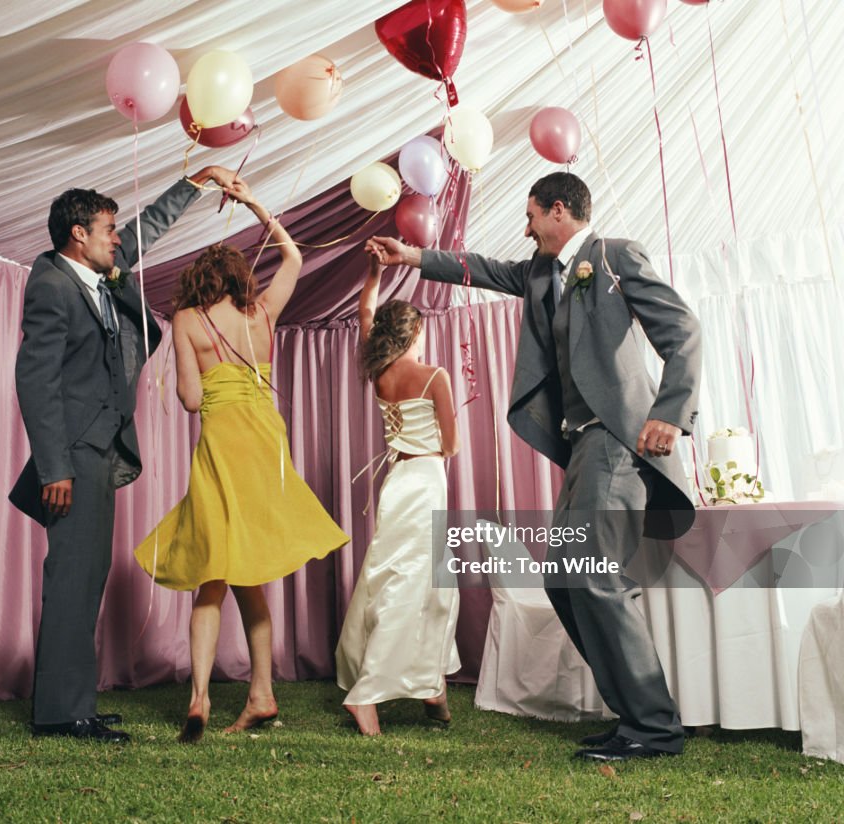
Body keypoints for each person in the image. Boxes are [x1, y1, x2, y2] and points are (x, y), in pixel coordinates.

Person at [368, 171, 702, 762]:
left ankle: (653, 728)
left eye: (530, 217)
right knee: (563, 580)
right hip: (582, 447)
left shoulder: (614, 256)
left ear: (557, 211)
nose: (525, 229)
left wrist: (670, 412)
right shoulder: (542, 272)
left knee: (593, 574)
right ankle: (635, 716)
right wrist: (414, 255)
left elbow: (683, 331)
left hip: (618, 439)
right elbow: (484, 268)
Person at [10, 166, 239, 743]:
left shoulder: (98, 276)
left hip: (98, 450)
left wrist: (197, 181)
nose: (118, 239)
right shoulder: (52, 284)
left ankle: (73, 701)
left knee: (88, 576)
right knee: (71, 577)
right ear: (77, 235)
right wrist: (54, 467)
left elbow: (146, 231)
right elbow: (35, 383)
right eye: (109, 229)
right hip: (73, 456)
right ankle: (62, 715)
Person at [133, 180, 349, 744]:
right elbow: (296, 255)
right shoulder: (263, 313)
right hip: (266, 443)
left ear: (198, 281)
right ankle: (261, 692)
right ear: (239, 278)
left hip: (221, 443)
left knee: (212, 574)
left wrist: (206, 375)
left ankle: (201, 697)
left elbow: (189, 399)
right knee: (246, 573)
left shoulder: (186, 321)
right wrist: (254, 204)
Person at [334, 250, 461, 736]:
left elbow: (365, 312)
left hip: (396, 482)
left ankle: (432, 689)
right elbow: (451, 445)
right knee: (418, 587)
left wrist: (374, 273)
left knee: (402, 581)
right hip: (426, 482)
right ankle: (367, 694)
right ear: (414, 334)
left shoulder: (378, 370)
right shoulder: (434, 376)